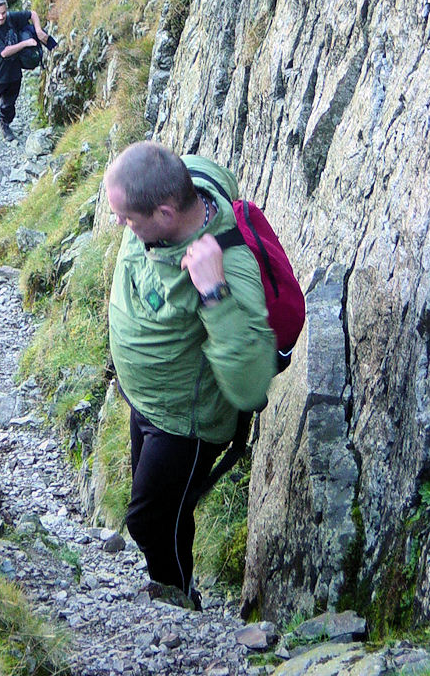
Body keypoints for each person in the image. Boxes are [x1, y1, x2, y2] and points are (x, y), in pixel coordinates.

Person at [104, 141, 275, 608]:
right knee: (163, 512)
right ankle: (173, 585)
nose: (118, 224)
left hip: (186, 423)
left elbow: (250, 384)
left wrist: (214, 294)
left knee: (151, 520)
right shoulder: (182, 183)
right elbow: (200, 169)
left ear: (163, 213)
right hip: (148, 401)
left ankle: (177, 604)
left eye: (127, 218)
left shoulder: (225, 267)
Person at [0, 0, 51, 149]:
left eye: (3, 12)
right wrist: (25, 44)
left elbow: (32, 14)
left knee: (9, 104)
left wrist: (39, 30)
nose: (1, 17)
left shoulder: (10, 18)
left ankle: (5, 126)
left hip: (14, 73)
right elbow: (4, 52)